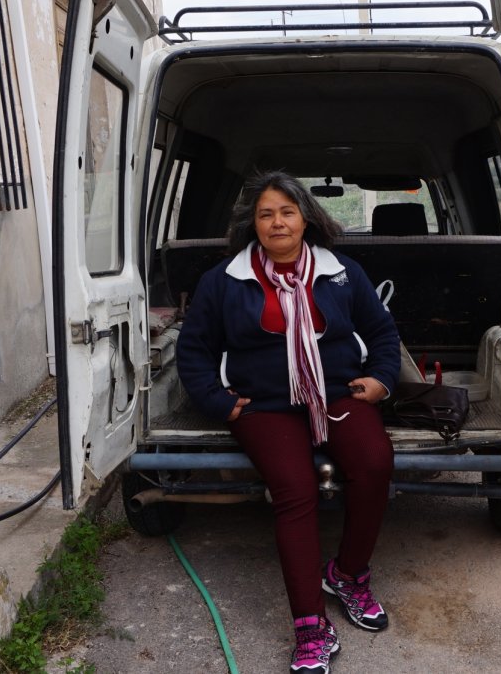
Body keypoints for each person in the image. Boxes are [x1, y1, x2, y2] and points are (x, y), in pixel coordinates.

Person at [177, 171, 401, 673]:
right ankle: (309, 625)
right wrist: (218, 401)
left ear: (306, 219)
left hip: (337, 392)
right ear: (252, 224)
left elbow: (382, 331)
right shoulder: (223, 281)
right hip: (264, 405)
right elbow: (193, 350)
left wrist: (382, 379)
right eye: (265, 214)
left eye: (287, 212)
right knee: (294, 488)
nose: (277, 222)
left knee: (374, 463)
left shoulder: (341, 271)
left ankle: (347, 574)